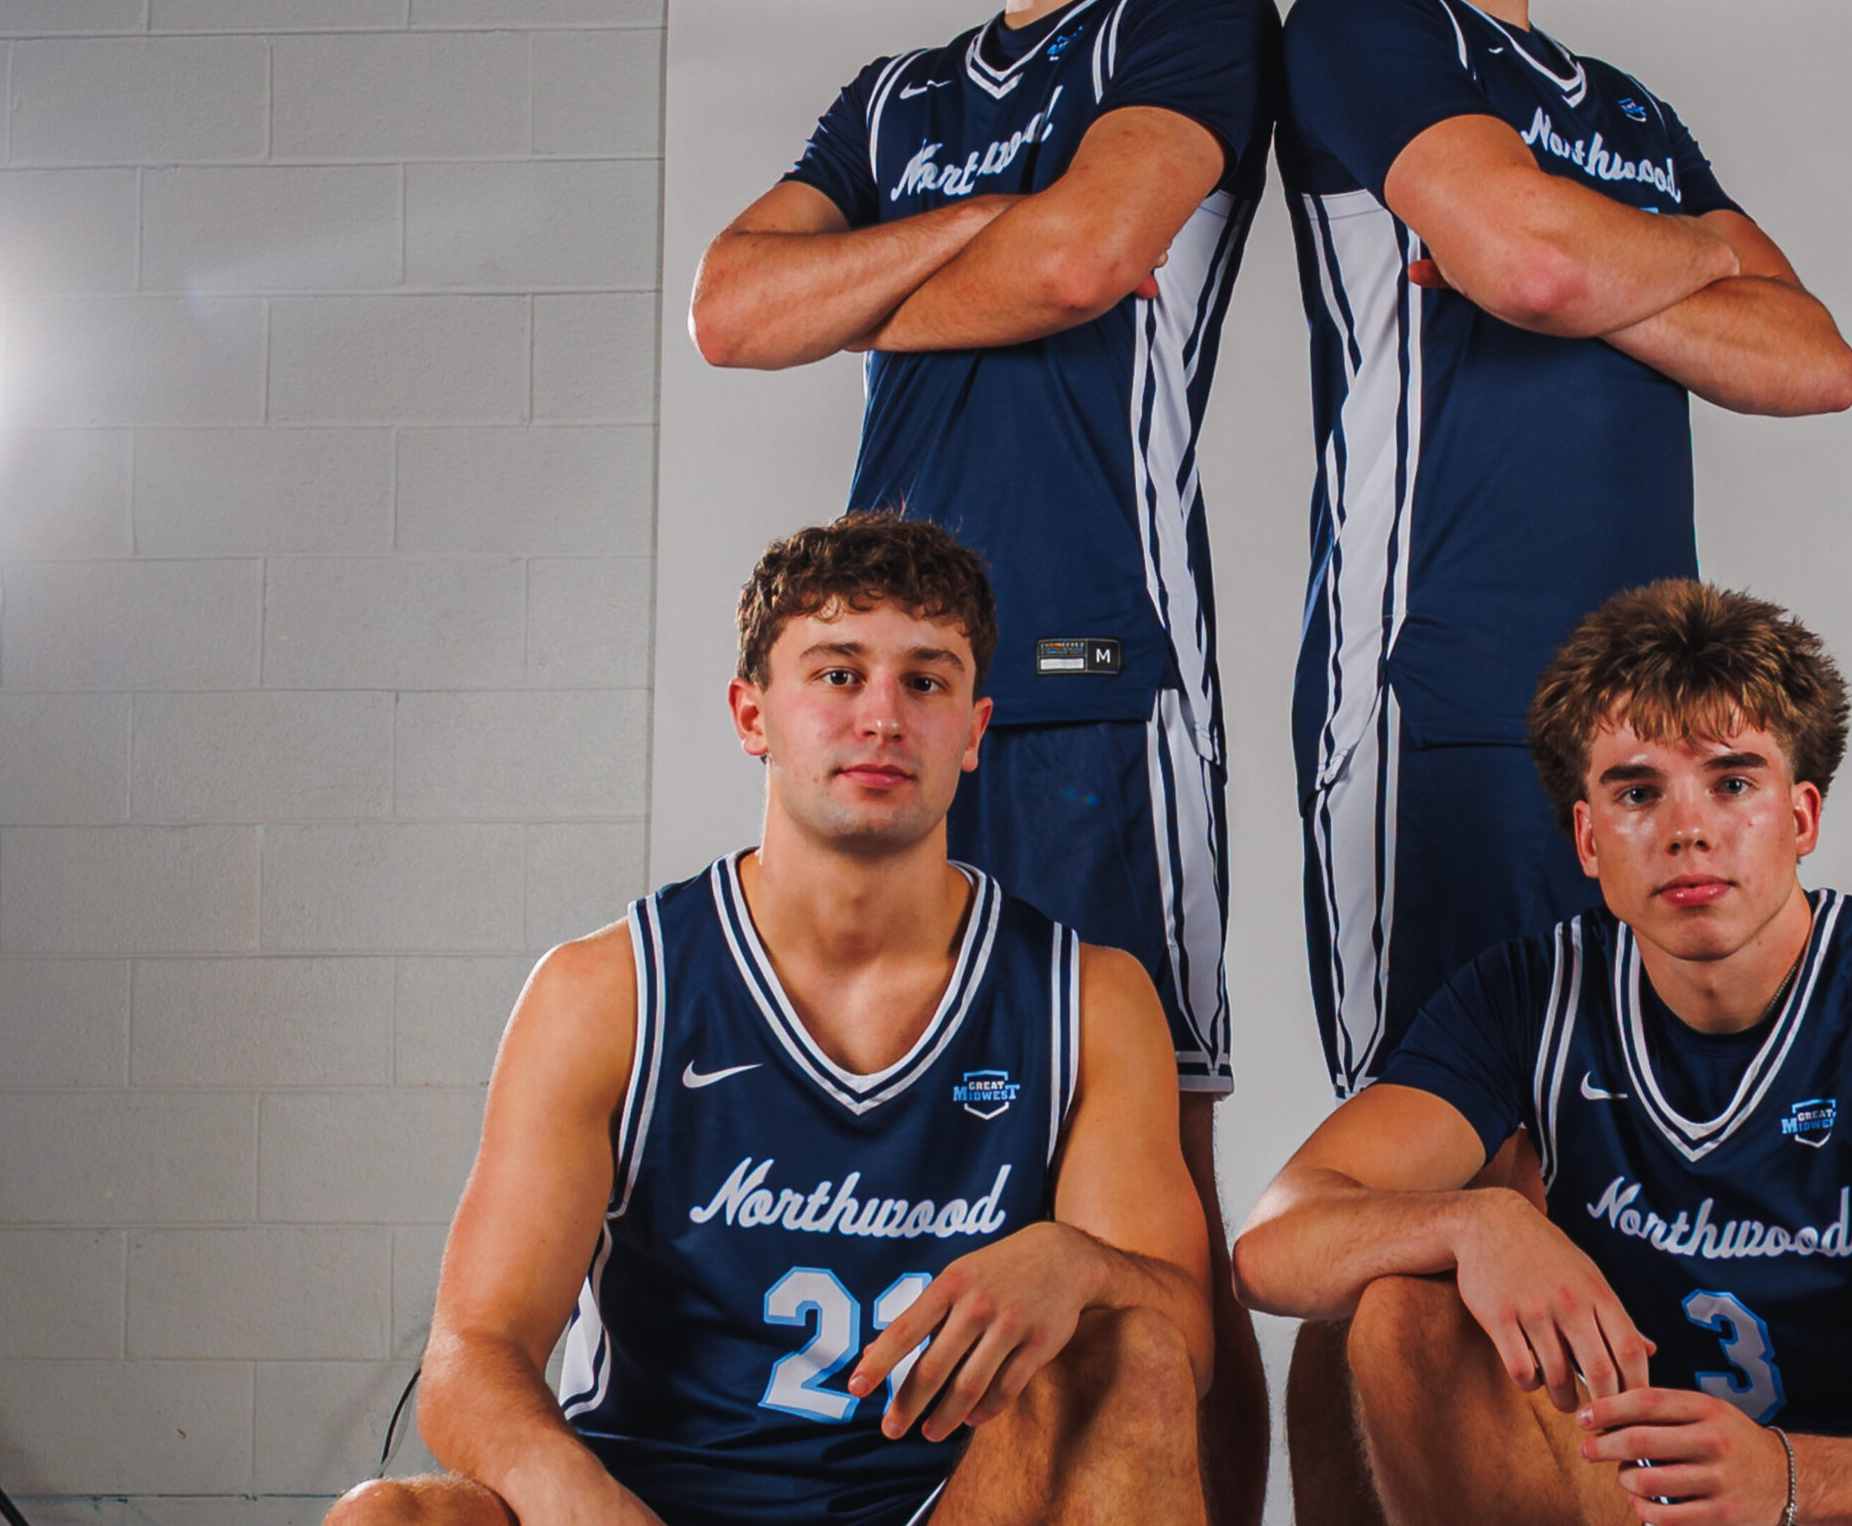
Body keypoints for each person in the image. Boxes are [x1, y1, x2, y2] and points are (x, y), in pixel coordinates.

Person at [689, 0, 1280, 1520]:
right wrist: (988, 229)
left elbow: (1097, 253)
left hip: (1105, 667)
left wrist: (860, 277)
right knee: (941, 1157)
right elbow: (729, 314)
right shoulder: (898, 94)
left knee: (1147, 1188)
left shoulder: (1189, 16)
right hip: (894, 689)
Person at [327, 514, 1214, 1526]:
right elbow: (470, 1355)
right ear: (752, 715)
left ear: (972, 731)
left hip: (949, 1503)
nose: (882, 717)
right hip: (654, 1498)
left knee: (1129, 1342)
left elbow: (1184, 1349)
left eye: (925, 681)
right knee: (384, 1519)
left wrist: (1081, 1262)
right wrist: (584, 1505)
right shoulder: (611, 991)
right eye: (838, 675)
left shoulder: (1083, 998)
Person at [1277, 0, 1852, 1110]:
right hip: (1440, 685)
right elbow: (1536, 270)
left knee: (1595, 1149)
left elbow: (1812, 361)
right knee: (1425, 1157)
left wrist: (1592, 252)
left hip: (1642, 720)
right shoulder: (1366, 23)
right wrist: (1691, 259)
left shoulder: (1629, 115)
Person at [1235, 580, 1852, 1526]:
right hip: (1629, 1499)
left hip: (1850, 1499)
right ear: (1589, 837)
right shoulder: (1534, 994)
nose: (1688, 829)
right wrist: (1477, 1223)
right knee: (1396, 1304)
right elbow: (1274, 1245)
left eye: (1733, 782)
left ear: (1802, 817)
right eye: (1638, 792)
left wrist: (1788, 1480)